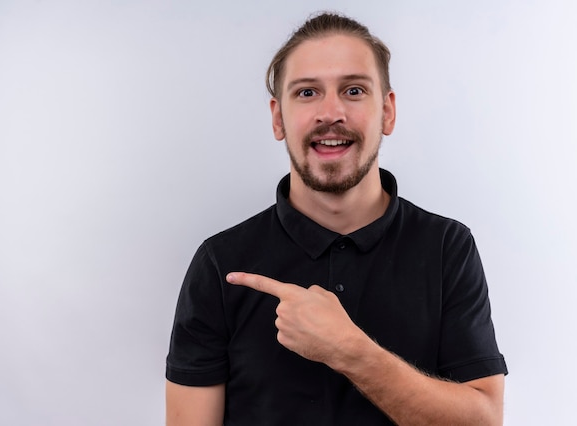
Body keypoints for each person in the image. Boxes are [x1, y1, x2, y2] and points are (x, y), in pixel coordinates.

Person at [166, 12, 507, 425]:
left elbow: (485, 420)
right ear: (278, 118)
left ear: (387, 112)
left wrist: (349, 351)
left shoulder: (446, 247)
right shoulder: (221, 264)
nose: (331, 112)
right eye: (307, 92)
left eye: (354, 90)